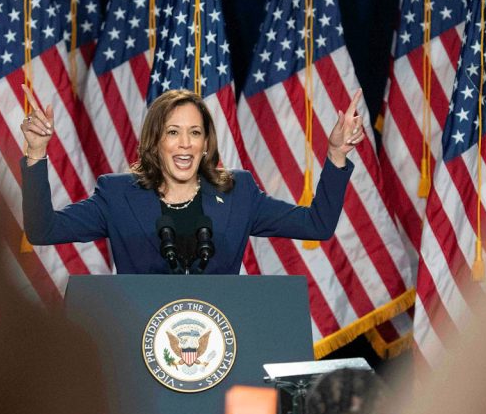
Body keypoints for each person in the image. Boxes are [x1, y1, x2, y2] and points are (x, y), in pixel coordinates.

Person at [19, 87, 367, 274]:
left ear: (205, 144)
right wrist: (36, 153)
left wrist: (337, 155)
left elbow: (317, 225)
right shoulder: (118, 195)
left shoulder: (238, 193)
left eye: (195, 133)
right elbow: (43, 230)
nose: (185, 143)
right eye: (173, 132)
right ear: (155, 141)